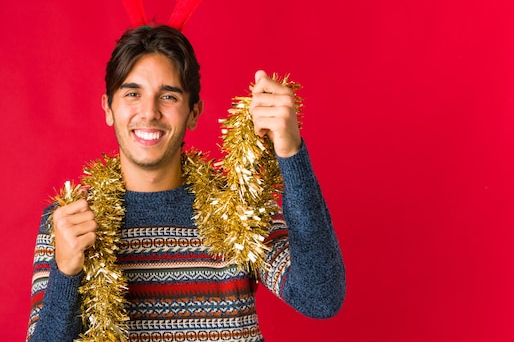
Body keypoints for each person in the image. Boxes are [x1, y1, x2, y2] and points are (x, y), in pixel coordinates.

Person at [26, 25, 345, 341]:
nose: (149, 112)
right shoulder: (70, 222)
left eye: (168, 96)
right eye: (133, 94)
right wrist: (66, 270)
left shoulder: (237, 208)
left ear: (194, 113)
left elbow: (320, 297)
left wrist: (290, 153)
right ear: (108, 108)